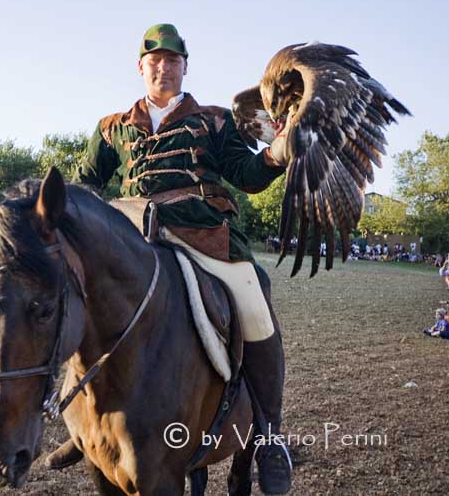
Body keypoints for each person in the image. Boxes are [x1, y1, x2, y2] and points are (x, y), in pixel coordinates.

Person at [73, 24, 291, 492]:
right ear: (141, 67)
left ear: (184, 67)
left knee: (253, 301)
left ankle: (270, 435)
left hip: (204, 236)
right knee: (73, 300)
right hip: (132, 239)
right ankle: (80, 426)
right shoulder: (113, 126)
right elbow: (85, 183)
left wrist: (277, 153)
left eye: (173, 60)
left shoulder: (213, 120)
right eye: (155, 60)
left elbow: (246, 174)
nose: (163, 67)